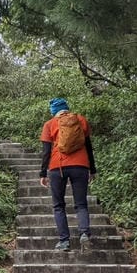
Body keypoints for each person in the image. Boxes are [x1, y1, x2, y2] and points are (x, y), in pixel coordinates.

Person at [38, 98, 97, 251]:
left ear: (53, 110)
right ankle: (84, 233)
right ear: (66, 108)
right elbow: (89, 147)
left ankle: (64, 241)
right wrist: (93, 169)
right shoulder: (81, 120)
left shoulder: (49, 124)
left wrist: (43, 173)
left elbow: (46, 152)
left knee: (58, 206)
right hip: (81, 165)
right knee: (81, 204)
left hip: (58, 167)